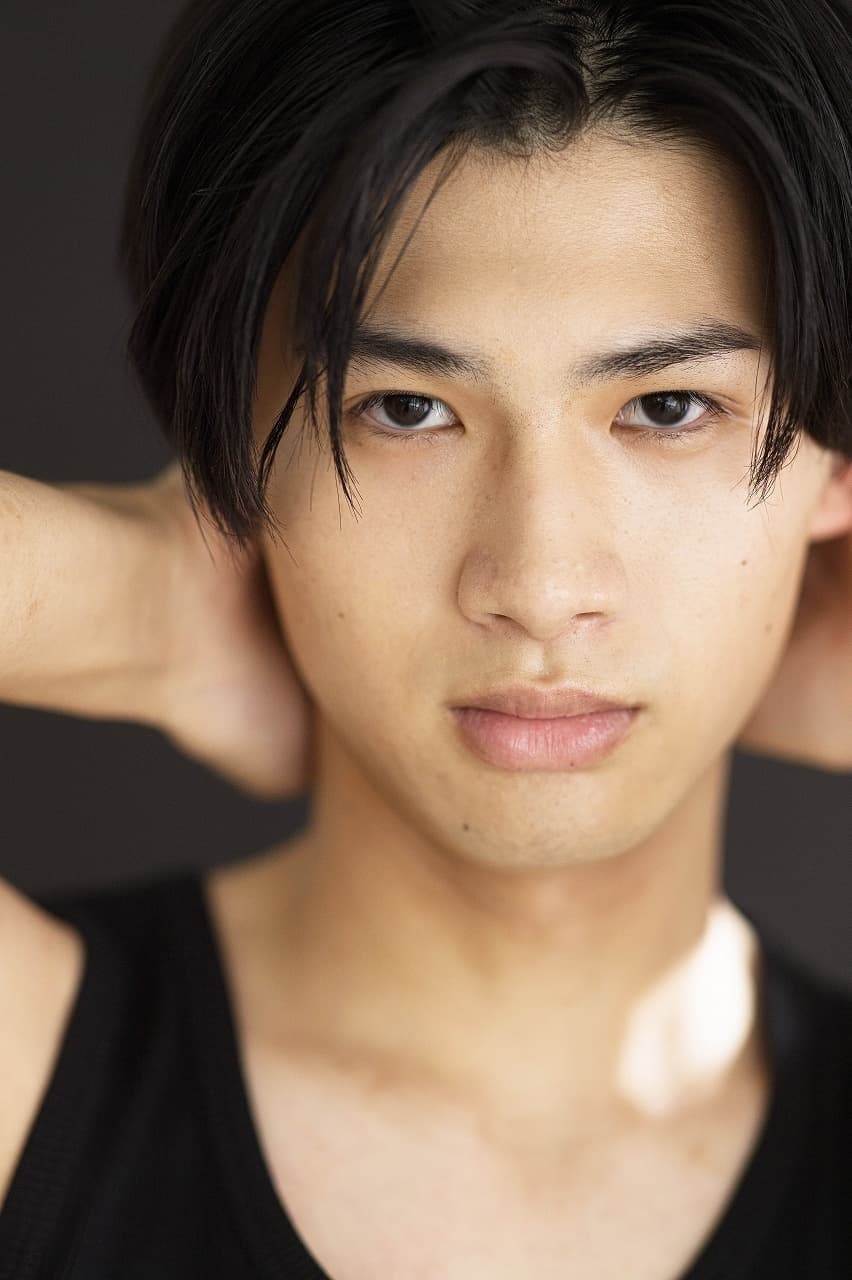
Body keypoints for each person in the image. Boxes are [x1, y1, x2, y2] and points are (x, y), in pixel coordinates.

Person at [1, 0, 851, 1276]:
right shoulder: (31, 1077)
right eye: (405, 409)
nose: (539, 584)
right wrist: (138, 606)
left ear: (834, 463)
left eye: (670, 406)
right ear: (238, 453)